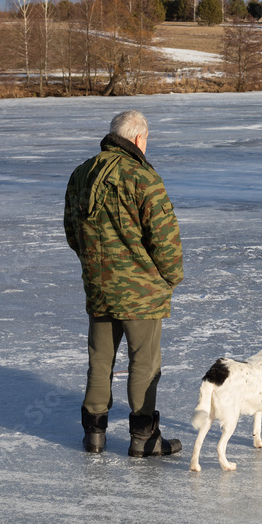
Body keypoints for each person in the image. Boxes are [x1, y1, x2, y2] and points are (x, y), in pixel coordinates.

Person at [64, 110, 184, 456]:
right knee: (143, 362)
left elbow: (72, 230)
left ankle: (94, 436)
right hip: (141, 291)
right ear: (138, 139)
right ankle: (144, 439)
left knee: (100, 359)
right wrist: (171, 276)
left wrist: (96, 266)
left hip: (99, 286)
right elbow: (165, 238)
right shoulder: (143, 177)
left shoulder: (82, 173)